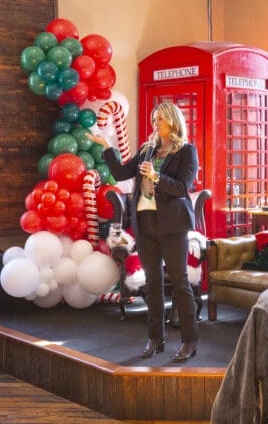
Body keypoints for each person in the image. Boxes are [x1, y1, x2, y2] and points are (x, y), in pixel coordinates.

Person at [86, 102, 200, 362]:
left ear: (172, 120)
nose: (155, 123)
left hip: (172, 225)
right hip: (145, 222)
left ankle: (190, 340)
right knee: (152, 282)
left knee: (180, 283)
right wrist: (108, 147)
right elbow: (120, 173)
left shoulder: (186, 151)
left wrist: (156, 176)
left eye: (160, 118)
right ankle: (156, 339)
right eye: (153, 119)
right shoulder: (147, 150)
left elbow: (182, 187)